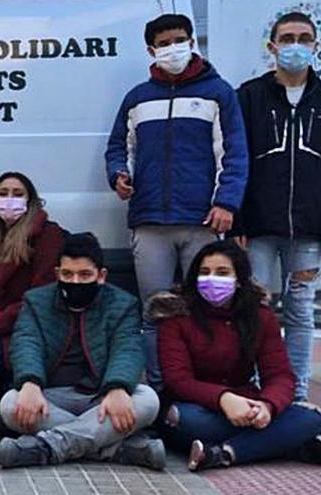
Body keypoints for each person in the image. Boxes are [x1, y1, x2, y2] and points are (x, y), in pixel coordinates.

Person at [105, 14, 248, 390]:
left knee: (206, 310)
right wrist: (118, 174)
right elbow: (119, 146)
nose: (174, 48)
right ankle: (158, 392)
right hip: (149, 221)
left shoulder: (219, 93)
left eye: (181, 39)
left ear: (192, 42)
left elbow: (234, 153)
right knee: (154, 313)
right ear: (151, 50)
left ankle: (204, 390)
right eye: (165, 42)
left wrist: (227, 203)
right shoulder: (137, 97)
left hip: (202, 221)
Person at [0, 233, 163, 470]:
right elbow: (26, 343)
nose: (75, 282)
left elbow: (128, 349)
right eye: (67, 274)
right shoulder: (36, 301)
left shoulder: (123, 304)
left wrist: (117, 387)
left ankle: (44, 448)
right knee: (10, 403)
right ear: (57, 274)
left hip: (101, 395)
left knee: (148, 400)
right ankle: (117, 448)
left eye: (84, 275)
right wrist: (30, 383)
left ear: (101, 276)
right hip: (51, 395)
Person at [151, 240, 321, 471]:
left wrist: (267, 406)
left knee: (311, 417)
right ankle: (283, 443)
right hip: (195, 407)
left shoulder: (260, 316)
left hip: (248, 404)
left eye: (222, 273)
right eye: (204, 272)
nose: (212, 279)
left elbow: (280, 375)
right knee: (185, 421)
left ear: (239, 279)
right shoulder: (177, 315)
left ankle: (223, 453)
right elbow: (177, 380)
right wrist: (224, 399)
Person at [233, 12, 321, 402]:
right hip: (258, 227)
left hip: (310, 228)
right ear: (272, 46)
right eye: (287, 38)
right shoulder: (249, 96)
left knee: (301, 310)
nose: (295, 45)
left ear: (316, 46)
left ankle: (297, 392)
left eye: (304, 38)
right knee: (256, 310)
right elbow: (235, 160)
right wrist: (236, 219)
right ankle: (256, 386)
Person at [0, 171, 65, 400]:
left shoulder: (48, 236)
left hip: (31, 325)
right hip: (4, 321)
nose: (10, 199)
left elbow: (42, 296)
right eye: (3, 193)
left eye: (18, 194)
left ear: (30, 200)